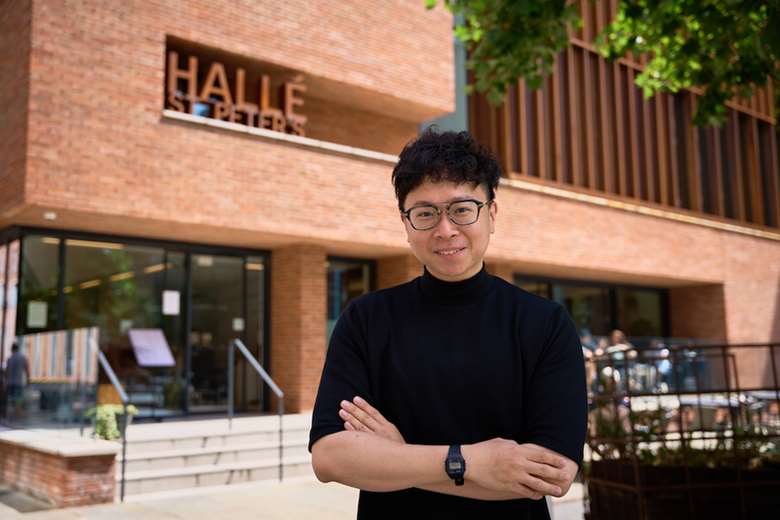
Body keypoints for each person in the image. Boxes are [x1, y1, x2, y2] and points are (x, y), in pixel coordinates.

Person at [309, 129, 587, 519]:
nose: (445, 229)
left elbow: (551, 475)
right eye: (425, 213)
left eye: (462, 209)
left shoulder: (544, 323)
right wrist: (469, 462)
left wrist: (398, 458)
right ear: (406, 224)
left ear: (491, 214)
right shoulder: (366, 319)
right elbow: (330, 458)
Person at [4, 340, 30, 420]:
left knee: (11, 401)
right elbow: (26, 369)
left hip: (10, 383)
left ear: (12, 349)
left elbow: (7, 372)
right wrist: (28, 380)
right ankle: (17, 416)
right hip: (18, 382)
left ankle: (12, 416)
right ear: (18, 349)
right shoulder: (22, 358)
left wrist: (5, 382)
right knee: (18, 400)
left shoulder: (9, 358)